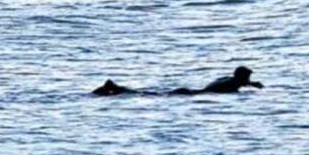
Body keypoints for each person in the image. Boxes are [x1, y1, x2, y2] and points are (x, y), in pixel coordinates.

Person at [91, 66, 264, 97]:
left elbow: (240, 83)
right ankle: (117, 89)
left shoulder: (227, 79)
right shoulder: (233, 83)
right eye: (247, 77)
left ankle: (118, 88)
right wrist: (254, 85)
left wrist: (251, 84)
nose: (249, 79)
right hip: (191, 94)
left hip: (191, 91)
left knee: (154, 94)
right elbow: (240, 84)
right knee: (152, 95)